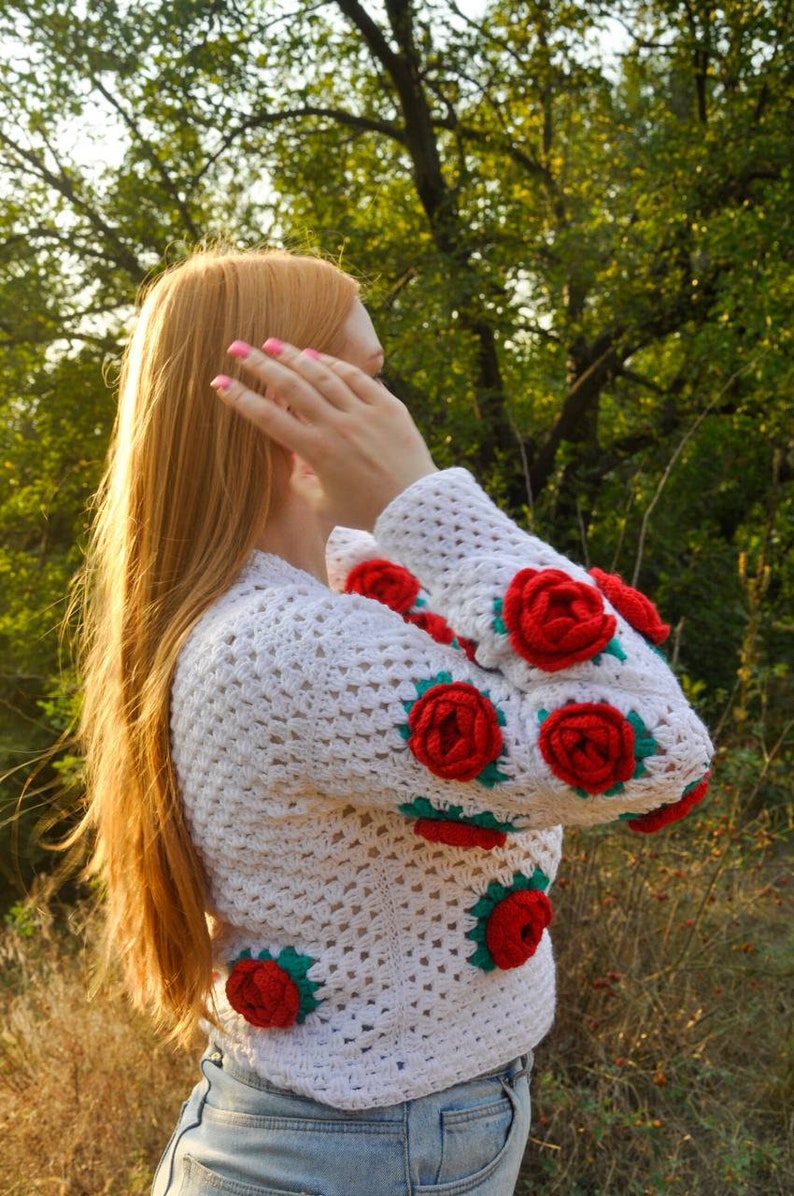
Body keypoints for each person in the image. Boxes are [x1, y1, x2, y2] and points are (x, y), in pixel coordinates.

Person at [76, 246, 713, 1196]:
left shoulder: (338, 571)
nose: (393, 414)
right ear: (284, 409)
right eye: (364, 384)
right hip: (359, 1149)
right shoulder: (280, 643)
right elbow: (657, 746)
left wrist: (409, 522)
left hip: (380, 1127)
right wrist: (428, 504)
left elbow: (561, 645)